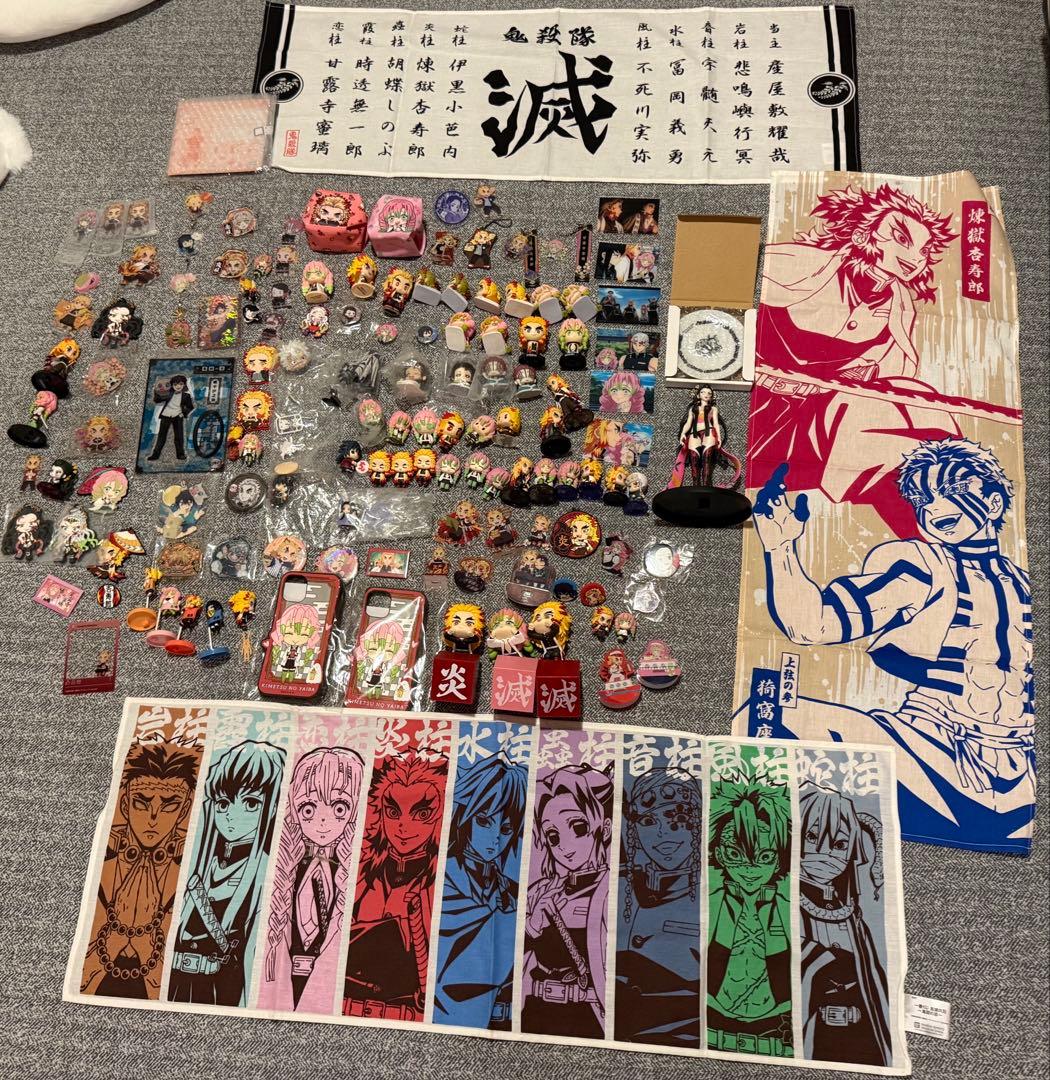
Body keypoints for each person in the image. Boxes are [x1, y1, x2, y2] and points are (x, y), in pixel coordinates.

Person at [752, 438, 1033, 851]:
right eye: (923, 499)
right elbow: (813, 624)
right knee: (774, 709)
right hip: (930, 747)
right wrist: (781, 549)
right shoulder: (923, 566)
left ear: (992, 503)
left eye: (952, 491)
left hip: (1018, 769)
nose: (934, 509)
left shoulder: (1024, 581)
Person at [749, 181, 960, 528]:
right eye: (901, 238)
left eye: (923, 250)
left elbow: (890, 381)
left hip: (815, 424)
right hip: (750, 405)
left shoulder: (900, 312)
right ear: (863, 235)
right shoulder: (797, 264)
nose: (915, 257)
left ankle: (939, 523)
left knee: (917, 406)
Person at [168, 740, 286, 1006]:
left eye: (251, 803)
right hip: (178, 982)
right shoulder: (202, 862)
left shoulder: (266, 870)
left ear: (273, 806)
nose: (233, 814)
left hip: (222, 989)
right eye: (223, 803)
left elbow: (254, 952)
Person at [80, 743, 199, 999]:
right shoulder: (107, 849)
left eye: (169, 806)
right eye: (141, 804)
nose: (153, 818)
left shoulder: (193, 858)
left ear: (185, 809)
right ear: (125, 804)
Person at [343, 751, 449, 1021]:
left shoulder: (441, 884)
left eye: (422, 813)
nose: (403, 826)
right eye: (393, 812)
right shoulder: (362, 876)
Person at [260, 747, 364, 1013]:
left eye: (339, 807)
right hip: (285, 977)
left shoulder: (353, 870)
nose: (322, 821)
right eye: (308, 809)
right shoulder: (285, 864)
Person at [797, 782, 891, 1066]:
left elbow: (873, 981)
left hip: (862, 1034)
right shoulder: (783, 900)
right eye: (812, 837)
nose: (825, 853)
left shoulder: (851, 914)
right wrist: (822, 961)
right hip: (812, 1033)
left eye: (839, 845)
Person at [433, 754, 527, 1030]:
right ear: (465, 818)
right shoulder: (444, 876)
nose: (495, 838)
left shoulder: (511, 889)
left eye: (506, 828)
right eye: (484, 821)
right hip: (446, 1009)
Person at [522, 764, 613, 1039]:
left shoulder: (610, 890)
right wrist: (532, 925)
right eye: (553, 836)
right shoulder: (539, 892)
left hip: (588, 1017)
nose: (564, 845)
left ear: (604, 828)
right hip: (534, 1010)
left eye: (578, 827)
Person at [615, 768, 703, 1048]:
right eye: (648, 821)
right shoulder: (623, 884)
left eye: (676, 818)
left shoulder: (712, 894)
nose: (663, 833)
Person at [707, 775, 793, 1058]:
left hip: (777, 1028)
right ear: (719, 853)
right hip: (709, 1020)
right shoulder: (710, 902)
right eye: (735, 854)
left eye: (765, 857)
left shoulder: (787, 907)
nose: (750, 869)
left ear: (778, 859)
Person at [147, 374, 193, 462]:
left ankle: (180, 454)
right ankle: (155, 455)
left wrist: (184, 413)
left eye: (180, 384)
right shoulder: (169, 393)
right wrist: (155, 390)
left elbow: (190, 407)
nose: (178, 386)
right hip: (166, 415)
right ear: (172, 385)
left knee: (179, 436)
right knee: (161, 436)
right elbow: (157, 400)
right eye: (175, 384)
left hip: (178, 416)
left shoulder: (186, 396)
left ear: (184, 384)